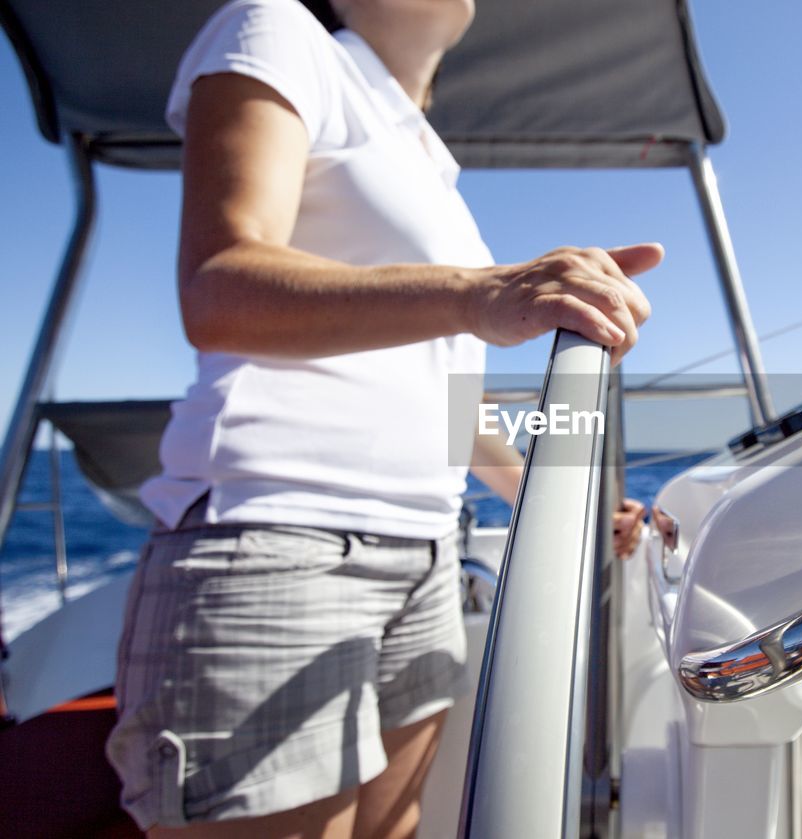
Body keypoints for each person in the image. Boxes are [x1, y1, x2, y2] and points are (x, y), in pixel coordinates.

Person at [105, 0, 656, 835]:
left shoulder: (426, 159)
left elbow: (445, 399)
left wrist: (562, 500)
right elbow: (218, 283)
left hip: (427, 553)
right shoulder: (277, 29)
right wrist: (481, 292)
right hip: (282, 539)